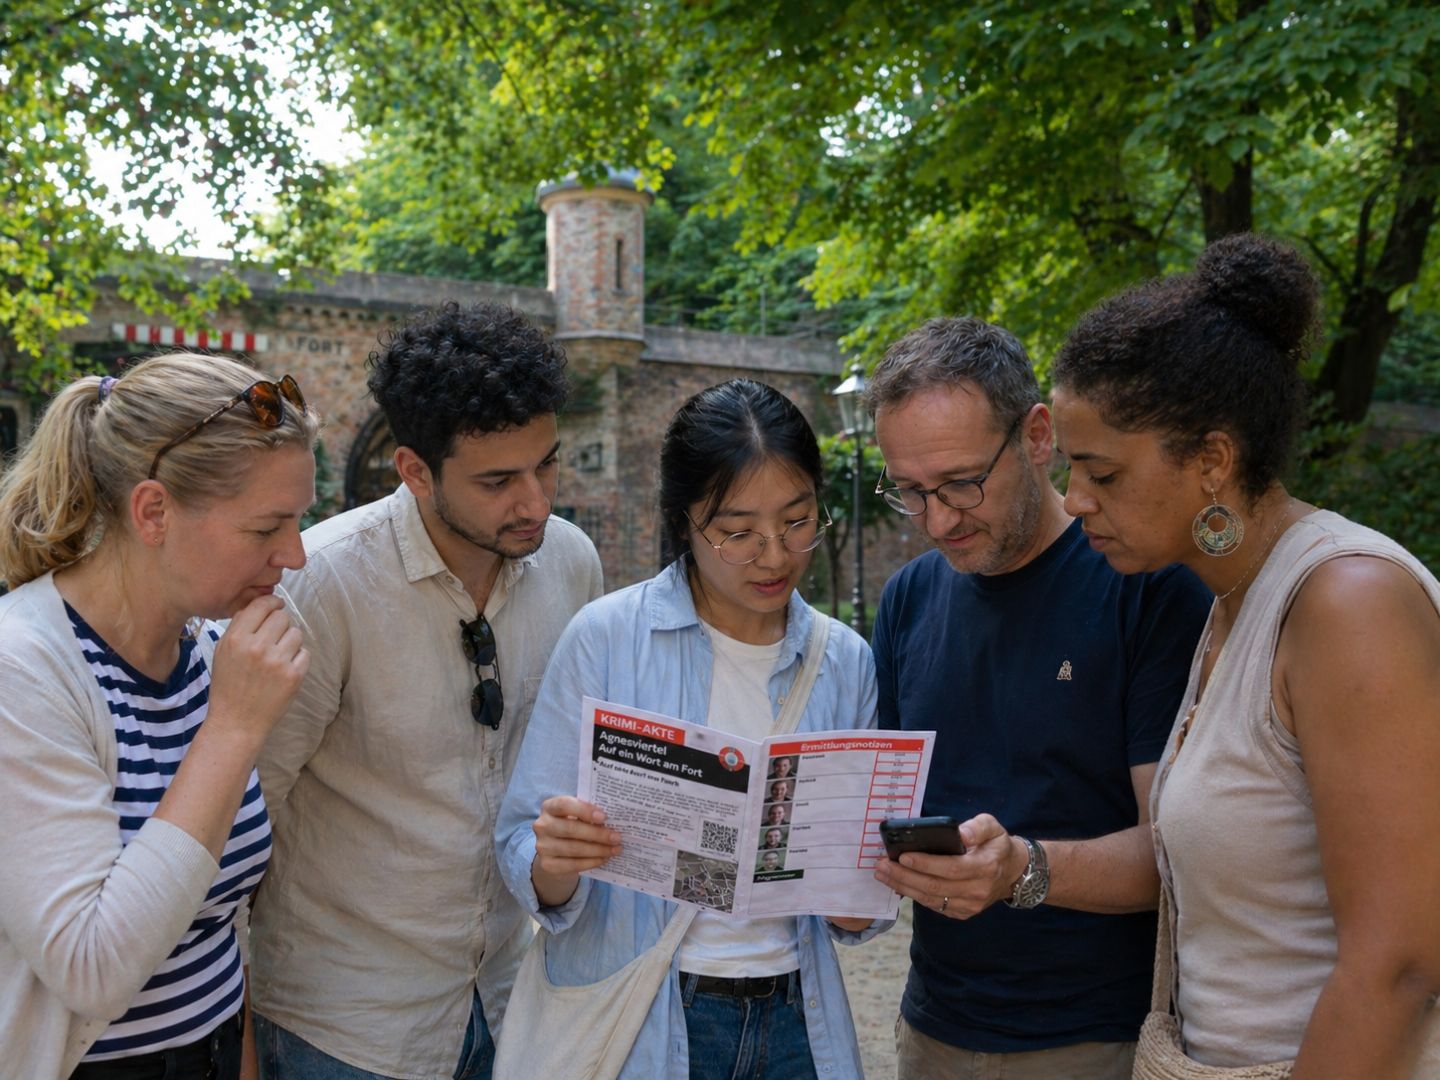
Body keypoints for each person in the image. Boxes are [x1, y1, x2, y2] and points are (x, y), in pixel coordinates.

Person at [1051, 233, 1440, 1076]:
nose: (1073, 500)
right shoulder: (1227, 601)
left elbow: (1401, 966)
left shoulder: (1348, 603)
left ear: (1213, 459)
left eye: (1102, 474)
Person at [249, 302, 603, 1080]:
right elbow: (249, 809)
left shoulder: (573, 562)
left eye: (546, 464)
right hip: (344, 1025)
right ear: (414, 471)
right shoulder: (322, 584)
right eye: (498, 481)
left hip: (515, 998)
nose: (537, 502)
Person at [496, 378, 880, 1080]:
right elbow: (521, 844)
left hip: (798, 1017)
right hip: (647, 1015)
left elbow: (853, 915)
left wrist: (865, 882)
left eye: (797, 521)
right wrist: (557, 857)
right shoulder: (607, 638)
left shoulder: (844, 660)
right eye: (736, 533)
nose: (773, 554)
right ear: (684, 523)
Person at [866, 317, 1211, 1079]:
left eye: (961, 482)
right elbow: (883, 810)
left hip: (1095, 1037)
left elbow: (1180, 852)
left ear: (1038, 436)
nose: (939, 519)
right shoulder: (909, 598)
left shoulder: (1145, 588)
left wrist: (1021, 867)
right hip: (932, 1028)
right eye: (911, 492)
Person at [0, 353, 318, 1078]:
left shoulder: (209, 650)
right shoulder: (21, 668)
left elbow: (213, 917)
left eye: (299, 521)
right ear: (153, 512)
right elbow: (93, 969)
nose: (295, 554)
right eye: (267, 527)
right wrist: (233, 729)